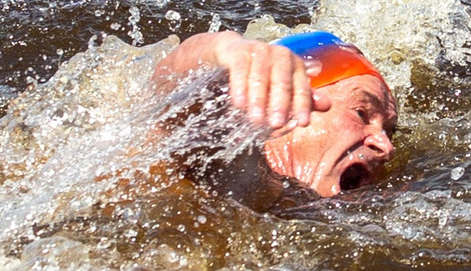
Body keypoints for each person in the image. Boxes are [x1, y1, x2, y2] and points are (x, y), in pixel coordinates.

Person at [149, 28, 397, 200]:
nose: (386, 146)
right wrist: (227, 50)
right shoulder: (229, 167)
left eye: (388, 130)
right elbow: (170, 84)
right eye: (361, 113)